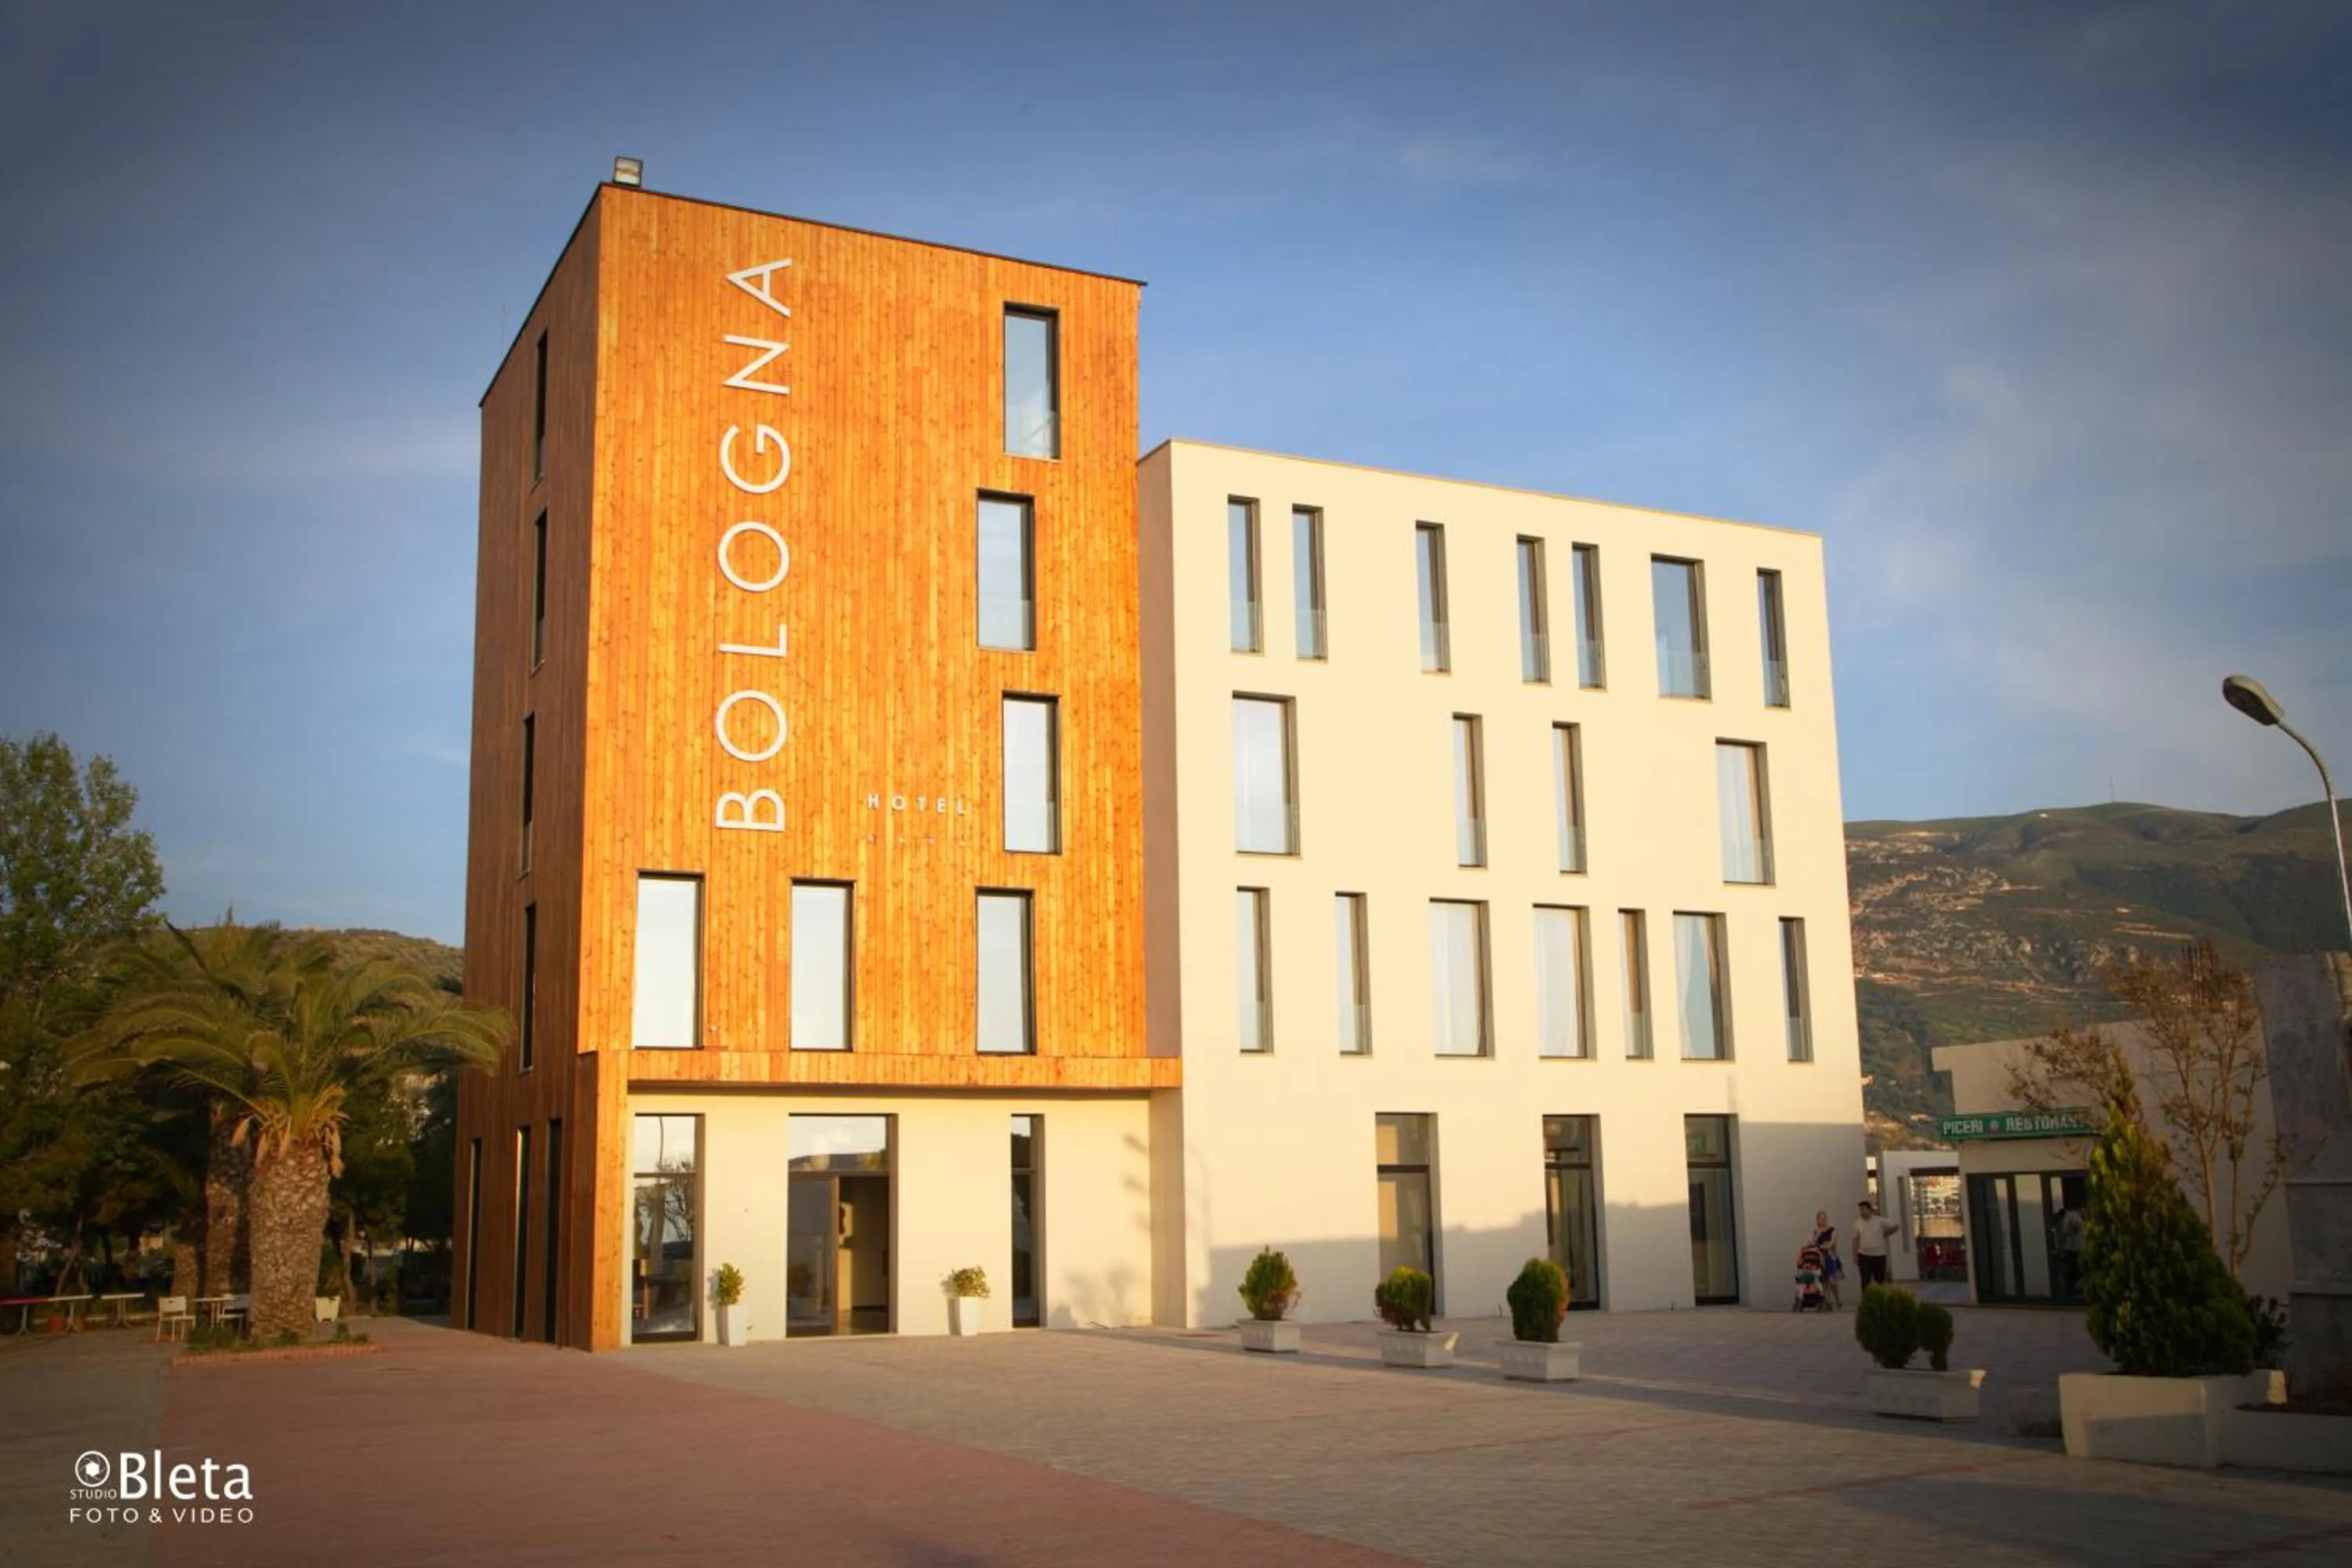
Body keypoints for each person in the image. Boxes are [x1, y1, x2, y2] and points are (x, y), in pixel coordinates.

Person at [1853, 1200, 1900, 1289]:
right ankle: (1866, 1297)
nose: (1862, 1212)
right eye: (1860, 1210)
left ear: (1869, 1210)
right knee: (1865, 1280)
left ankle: (1880, 1296)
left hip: (1879, 1255)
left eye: (1863, 1209)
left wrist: (1886, 1233)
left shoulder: (1879, 1221)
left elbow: (1896, 1226)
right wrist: (1854, 1254)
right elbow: (1855, 1239)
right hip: (1864, 1255)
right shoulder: (1858, 1223)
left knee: (1880, 1280)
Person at [1809, 1210, 1846, 1309]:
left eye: (1825, 1218)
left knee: (1833, 1281)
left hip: (1830, 1257)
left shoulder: (1832, 1231)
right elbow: (1810, 1242)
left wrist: (1824, 1246)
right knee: (1823, 1280)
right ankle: (1827, 1301)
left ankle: (1837, 1298)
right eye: (1821, 1218)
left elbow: (1832, 1243)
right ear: (1817, 1220)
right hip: (1819, 1257)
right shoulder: (1816, 1231)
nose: (1823, 1220)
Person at [2056, 1199, 2086, 1299]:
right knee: (2075, 1272)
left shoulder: (2068, 1216)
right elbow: (2072, 1229)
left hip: (2071, 1249)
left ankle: (2069, 1291)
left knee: (2071, 1272)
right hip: (2076, 1249)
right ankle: (2070, 1292)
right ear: (2080, 1208)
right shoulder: (2075, 1217)